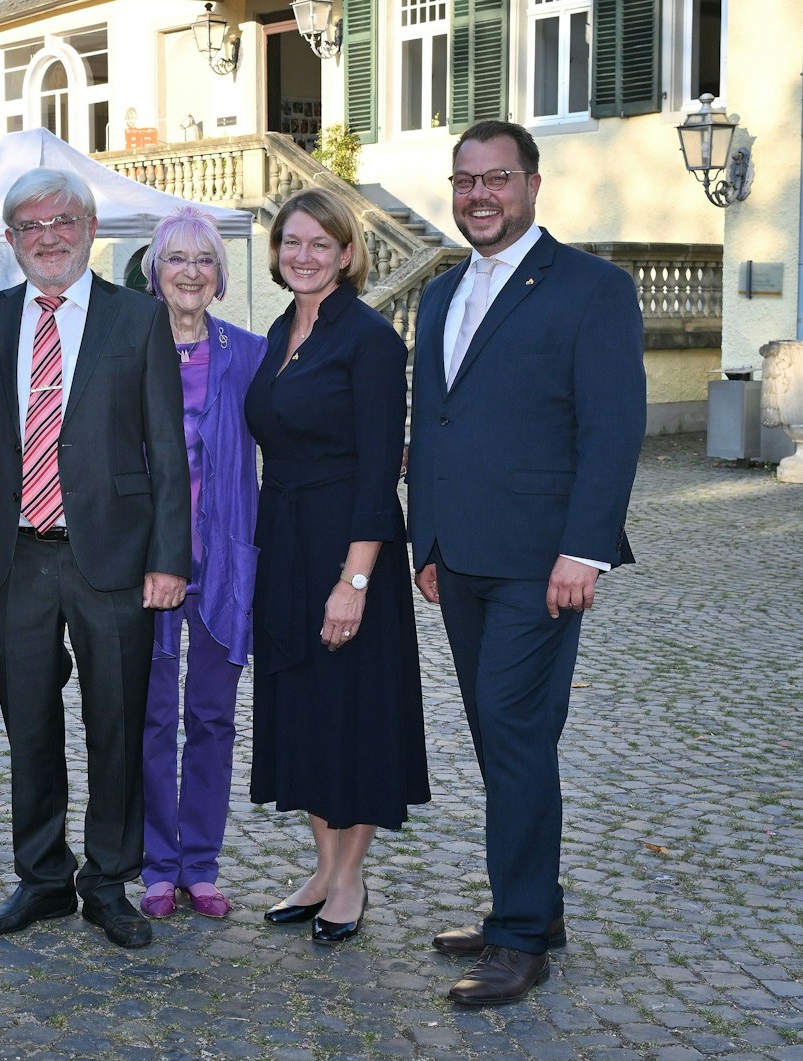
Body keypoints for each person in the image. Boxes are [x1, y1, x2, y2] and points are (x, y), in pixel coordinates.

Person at [409, 120, 646, 1005]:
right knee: (502, 737)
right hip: (459, 557)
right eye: (466, 179)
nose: (479, 194)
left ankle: (518, 943)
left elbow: (613, 426)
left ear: (533, 184)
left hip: (542, 563)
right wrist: (423, 540)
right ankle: (533, 904)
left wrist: (584, 549)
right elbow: (433, 418)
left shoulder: (592, 289)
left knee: (512, 733)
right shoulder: (440, 294)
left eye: (497, 178)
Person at [0, 167, 188, 951]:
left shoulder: (139, 318)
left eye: (61, 221)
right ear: (12, 241)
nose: (47, 236)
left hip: (115, 557)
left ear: (89, 229)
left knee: (116, 721)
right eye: (29, 225)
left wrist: (170, 558)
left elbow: (166, 445)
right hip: (13, 555)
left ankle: (108, 880)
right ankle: (43, 876)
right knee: (28, 722)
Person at [245, 188, 428, 946]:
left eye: (322, 243)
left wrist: (352, 583)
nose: (305, 255)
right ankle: (321, 867)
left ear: (348, 254)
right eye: (292, 242)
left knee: (352, 714)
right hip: (284, 543)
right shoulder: (276, 331)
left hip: (350, 549)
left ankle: (350, 877)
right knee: (305, 712)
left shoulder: (372, 340)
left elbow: (380, 470)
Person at [136, 207, 267, 922]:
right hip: (152, 566)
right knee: (153, 717)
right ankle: (158, 865)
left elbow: (297, 435)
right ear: (154, 273)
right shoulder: (130, 347)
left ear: (218, 277)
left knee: (212, 716)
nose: (191, 270)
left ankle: (202, 863)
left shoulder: (249, 354)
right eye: (177, 258)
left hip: (225, 565)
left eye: (205, 259)